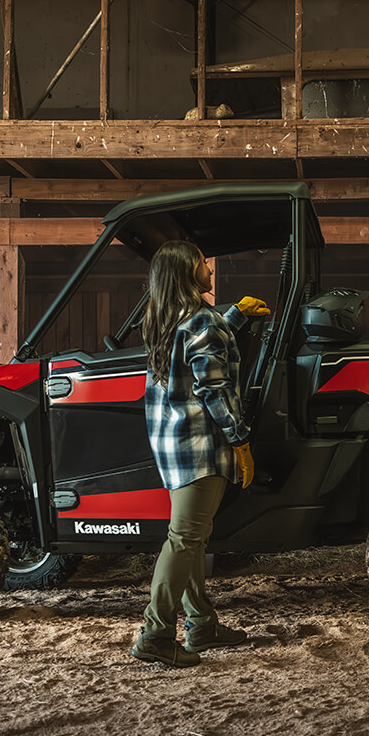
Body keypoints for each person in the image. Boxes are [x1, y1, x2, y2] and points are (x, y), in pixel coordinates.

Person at [130, 239, 270, 667]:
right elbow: (214, 388)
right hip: (201, 445)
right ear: (187, 272)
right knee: (185, 539)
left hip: (171, 444)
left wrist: (235, 316)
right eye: (201, 262)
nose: (208, 267)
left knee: (192, 539)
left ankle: (202, 625)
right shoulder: (201, 319)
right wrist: (240, 437)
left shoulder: (164, 318)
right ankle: (155, 634)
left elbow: (200, 343)